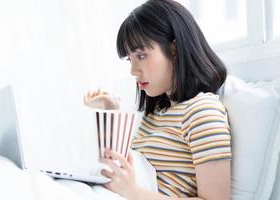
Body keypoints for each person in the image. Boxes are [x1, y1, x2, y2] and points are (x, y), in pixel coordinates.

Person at [84, 0, 231, 199]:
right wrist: (110, 112)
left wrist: (133, 192)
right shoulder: (156, 114)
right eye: (130, 59)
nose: (133, 71)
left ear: (174, 49)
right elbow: (124, 171)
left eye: (141, 55)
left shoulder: (202, 111)